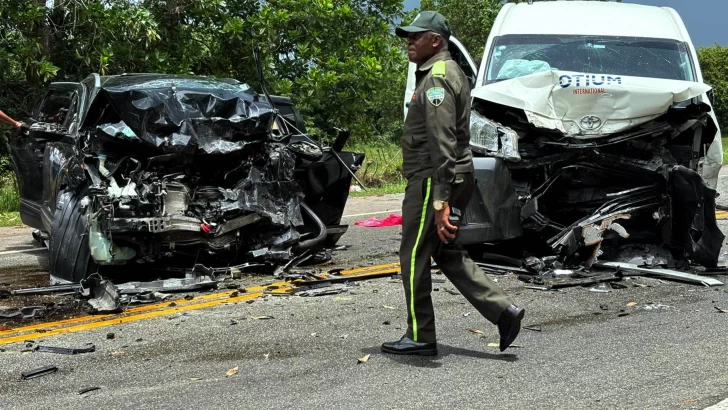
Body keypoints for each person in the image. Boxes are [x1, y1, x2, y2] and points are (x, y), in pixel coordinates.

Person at [381, 11, 524, 356]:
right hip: (449, 176)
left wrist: (440, 201)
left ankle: (420, 335)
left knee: (413, 254)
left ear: (437, 40)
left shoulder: (436, 79)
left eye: (417, 36)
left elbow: (441, 141)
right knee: (444, 251)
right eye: (408, 36)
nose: (409, 42)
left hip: (434, 179)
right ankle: (503, 311)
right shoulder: (446, 72)